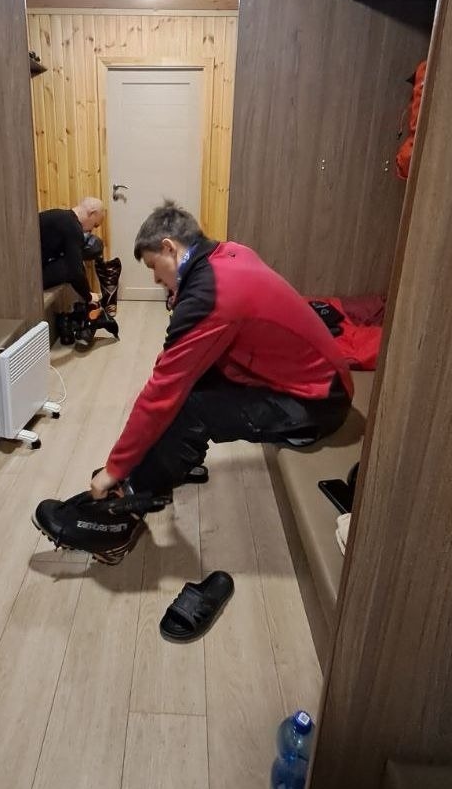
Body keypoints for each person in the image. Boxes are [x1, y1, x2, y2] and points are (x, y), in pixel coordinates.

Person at [33, 200, 354, 563]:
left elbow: (162, 391)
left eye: (155, 268)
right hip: (308, 379)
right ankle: (161, 470)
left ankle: (118, 524)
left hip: (316, 402)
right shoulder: (228, 254)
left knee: (189, 405)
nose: (156, 280)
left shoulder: (212, 294)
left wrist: (114, 468)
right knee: (188, 390)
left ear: (170, 248)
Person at [39, 197, 105, 303]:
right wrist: (88, 297)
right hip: (29, 279)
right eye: (95, 225)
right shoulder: (73, 228)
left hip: (24, 270)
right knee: (70, 266)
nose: (91, 230)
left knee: (73, 261)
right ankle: (88, 302)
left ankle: (88, 296)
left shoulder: (60, 216)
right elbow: (75, 272)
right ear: (92, 213)